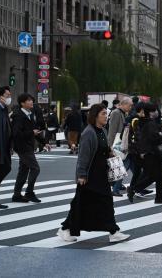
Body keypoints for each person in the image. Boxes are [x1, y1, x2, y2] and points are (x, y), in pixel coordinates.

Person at [57, 104, 130, 243]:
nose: (106, 116)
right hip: (90, 176)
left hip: (100, 174)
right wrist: (82, 175)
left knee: (95, 203)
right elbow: (83, 156)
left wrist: (109, 152)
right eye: (103, 113)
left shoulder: (101, 130)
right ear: (95, 115)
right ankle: (112, 231)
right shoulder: (88, 133)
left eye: (106, 113)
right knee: (82, 203)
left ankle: (112, 231)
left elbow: (102, 148)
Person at [127, 102, 162, 204]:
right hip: (151, 153)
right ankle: (134, 188)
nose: (156, 112)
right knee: (153, 175)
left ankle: (159, 197)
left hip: (152, 153)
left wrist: (161, 133)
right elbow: (156, 138)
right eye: (154, 110)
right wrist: (161, 134)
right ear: (149, 112)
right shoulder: (149, 123)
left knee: (160, 176)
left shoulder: (149, 121)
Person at [10, 93, 42, 203]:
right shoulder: (18, 115)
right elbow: (16, 133)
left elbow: (34, 131)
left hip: (28, 145)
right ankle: (29, 192)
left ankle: (17, 194)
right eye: (28, 100)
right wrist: (31, 132)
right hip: (22, 147)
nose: (31, 102)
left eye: (31, 100)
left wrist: (44, 142)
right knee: (35, 168)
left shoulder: (29, 114)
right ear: (22, 103)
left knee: (23, 170)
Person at [108, 97, 133, 196]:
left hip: (121, 143)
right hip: (117, 144)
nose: (130, 107)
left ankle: (117, 186)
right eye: (130, 105)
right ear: (124, 104)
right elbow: (112, 131)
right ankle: (115, 188)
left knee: (124, 166)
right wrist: (110, 146)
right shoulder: (116, 113)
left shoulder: (122, 113)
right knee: (122, 166)